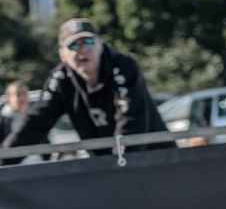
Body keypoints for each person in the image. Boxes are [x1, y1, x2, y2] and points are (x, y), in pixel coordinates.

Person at [2, 18, 160, 160]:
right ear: (62, 55)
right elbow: (35, 124)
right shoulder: (60, 80)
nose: (83, 49)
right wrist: (4, 158)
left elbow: (131, 121)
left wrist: (118, 163)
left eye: (89, 42)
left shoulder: (123, 66)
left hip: (154, 158)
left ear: (100, 45)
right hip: (105, 165)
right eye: (74, 45)